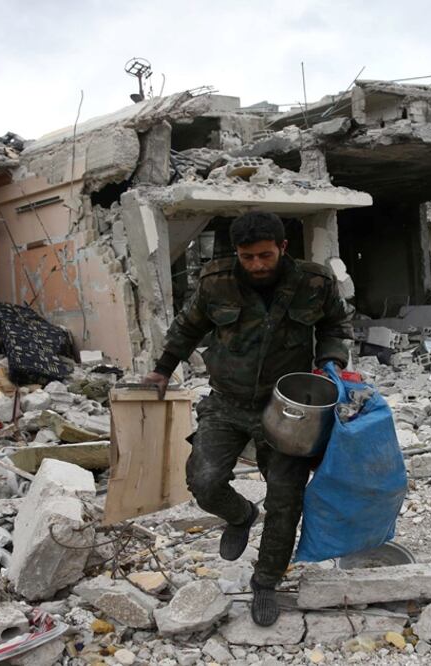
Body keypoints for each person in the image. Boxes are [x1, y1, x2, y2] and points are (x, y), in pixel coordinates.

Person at [143, 211, 352, 626]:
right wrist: (161, 370)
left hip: (288, 405)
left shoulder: (315, 282)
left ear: (283, 248)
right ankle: (240, 515)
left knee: (285, 500)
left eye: (265, 256)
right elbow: (187, 328)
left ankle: (266, 582)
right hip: (227, 401)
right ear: (235, 253)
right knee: (203, 481)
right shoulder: (215, 281)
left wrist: (331, 361)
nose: (256, 264)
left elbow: (335, 325)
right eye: (247, 256)